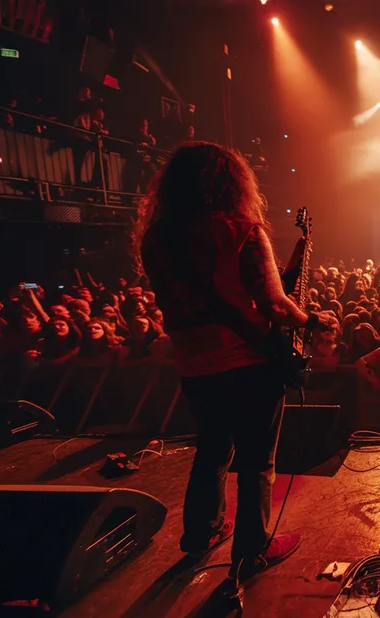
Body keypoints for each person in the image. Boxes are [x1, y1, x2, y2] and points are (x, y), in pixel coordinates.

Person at [135, 142, 335, 587]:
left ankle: (200, 534)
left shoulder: (157, 239)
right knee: (257, 462)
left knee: (211, 451)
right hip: (247, 363)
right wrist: (313, 318)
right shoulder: (239, 230)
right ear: (233, 183)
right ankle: (253, 549)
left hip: (195, 365)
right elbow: (274, 304)